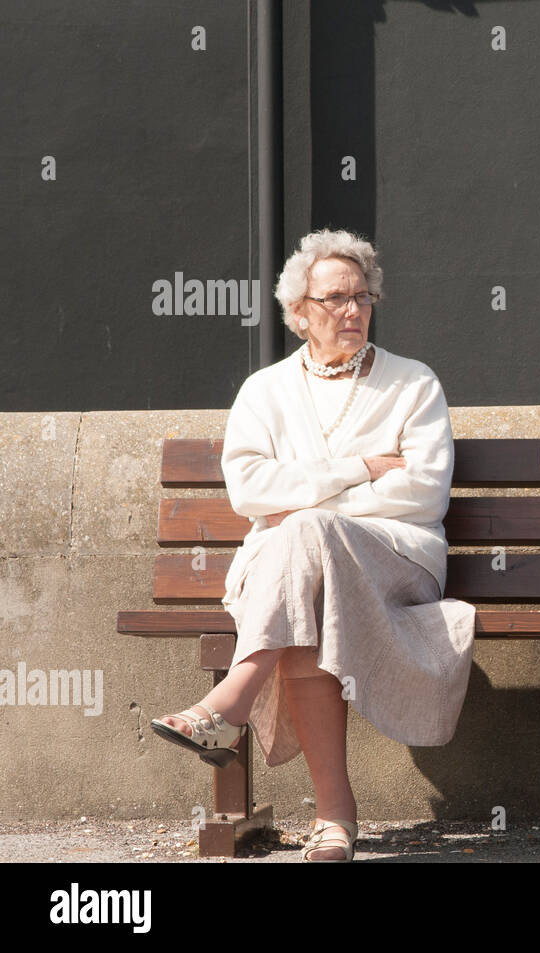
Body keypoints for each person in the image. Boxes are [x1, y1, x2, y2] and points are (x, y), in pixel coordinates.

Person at [151, 229, 475, 862]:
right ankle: (335, 819)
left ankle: (233, 701)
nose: (352, 310)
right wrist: (358, 468)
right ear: (299, 313)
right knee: (305, 587)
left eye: (363, 297)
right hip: (291, 573)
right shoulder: (264, 390)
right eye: (334, 299)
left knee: (303, 534)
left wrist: (305, 507)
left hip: (396, 560)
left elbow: (423, 494)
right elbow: (248, 490)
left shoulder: (414, 385)